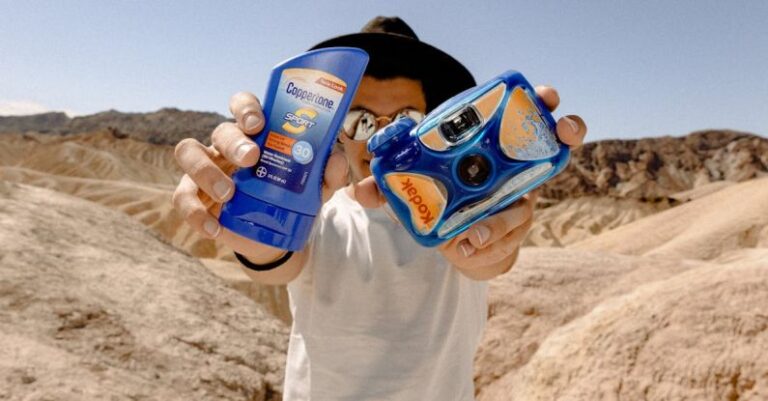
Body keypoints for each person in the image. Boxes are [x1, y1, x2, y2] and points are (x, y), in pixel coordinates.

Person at [172, 16, 587, 401]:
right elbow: (270, 254)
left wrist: (491, 243)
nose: (379, 139)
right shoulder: (314, 212)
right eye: (361, 120)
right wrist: (248, 202)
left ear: (436, 120)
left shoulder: (464, 213)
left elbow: (486, 259)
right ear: (337, 128)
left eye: (405, 118)